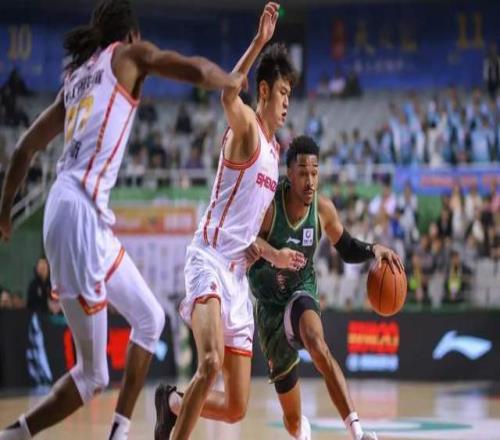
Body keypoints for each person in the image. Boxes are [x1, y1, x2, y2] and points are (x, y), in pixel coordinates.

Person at [0, 1, 246, 439]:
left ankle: (120, 431)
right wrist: (229, 80)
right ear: (130, 35)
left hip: (76, 214)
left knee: (150, 319)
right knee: (93, 375)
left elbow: (24, 149)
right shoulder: (128, 55)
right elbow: (192, 69)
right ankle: (14, 435)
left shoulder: (75, 80)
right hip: (79, 214)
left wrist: (5, 214)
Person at [153, 3, 299, 439]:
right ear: (264, 91)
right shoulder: (247, 127)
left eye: (291, 95)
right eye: (283, 93)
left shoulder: (275, 153)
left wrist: (274, 254)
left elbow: (249, 236)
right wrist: (258, 42)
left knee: (236, 406)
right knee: (210, 362)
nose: (287, 102)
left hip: (237, 278)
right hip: (208, 259)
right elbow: (227, 96)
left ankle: (172, 403)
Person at [247, 136, 403, 440]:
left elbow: (346, 247)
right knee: (293, 421)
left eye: (315, 173)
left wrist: (374, 249)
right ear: (289, 174)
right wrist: (273, 258)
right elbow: (245, 241)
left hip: (300, 288)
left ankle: (357, 432)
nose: (310, 181)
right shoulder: (268, 206)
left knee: (317, 343)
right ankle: (301, 429)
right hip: (269, 305)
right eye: (303, 173)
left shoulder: (322, 209)